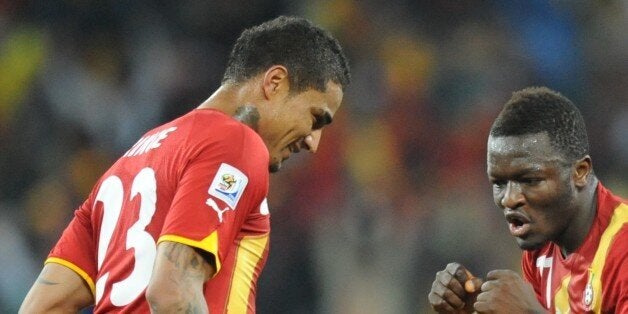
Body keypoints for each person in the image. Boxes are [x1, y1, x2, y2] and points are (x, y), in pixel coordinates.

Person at [20, 15, 350, 313]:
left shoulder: (130, 161)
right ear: (275, 82)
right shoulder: (236, 142)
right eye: (316, 118)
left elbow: (41, 306)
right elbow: (172, 292)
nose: (313, 141)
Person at [428, 87, 627, 313]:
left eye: (530, 180)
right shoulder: (541, 247)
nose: (510, 199)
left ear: (579, 172)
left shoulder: (622, 250)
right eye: (499, 183)